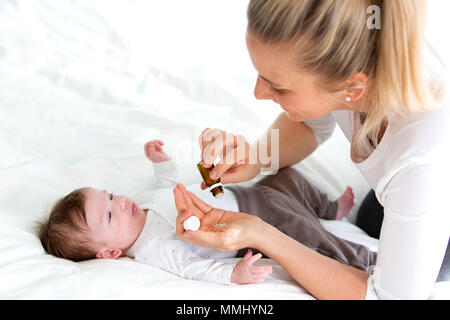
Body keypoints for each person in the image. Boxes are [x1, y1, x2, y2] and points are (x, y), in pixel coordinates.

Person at [173, 0, 449, 299]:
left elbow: (389, 297)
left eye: (278, 87)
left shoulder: (422, 161)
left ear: (353, 88)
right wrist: (256, 157)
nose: (258, 93)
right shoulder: (360, 40)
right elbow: (311, 125)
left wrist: (263, 234)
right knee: (371, 218)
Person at [37, 140, 375, 285]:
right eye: (110, 215)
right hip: (259, 222)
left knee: (286, 176)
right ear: (110, 251)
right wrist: (233, 275)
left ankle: (332, 208)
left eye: (110, 196)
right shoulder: (154, 249)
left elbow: (166, 183)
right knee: (309, 236)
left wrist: (161, 162)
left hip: (251, 193)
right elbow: (194, 269)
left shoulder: (141, 203)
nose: (120, 203)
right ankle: (366, 261)